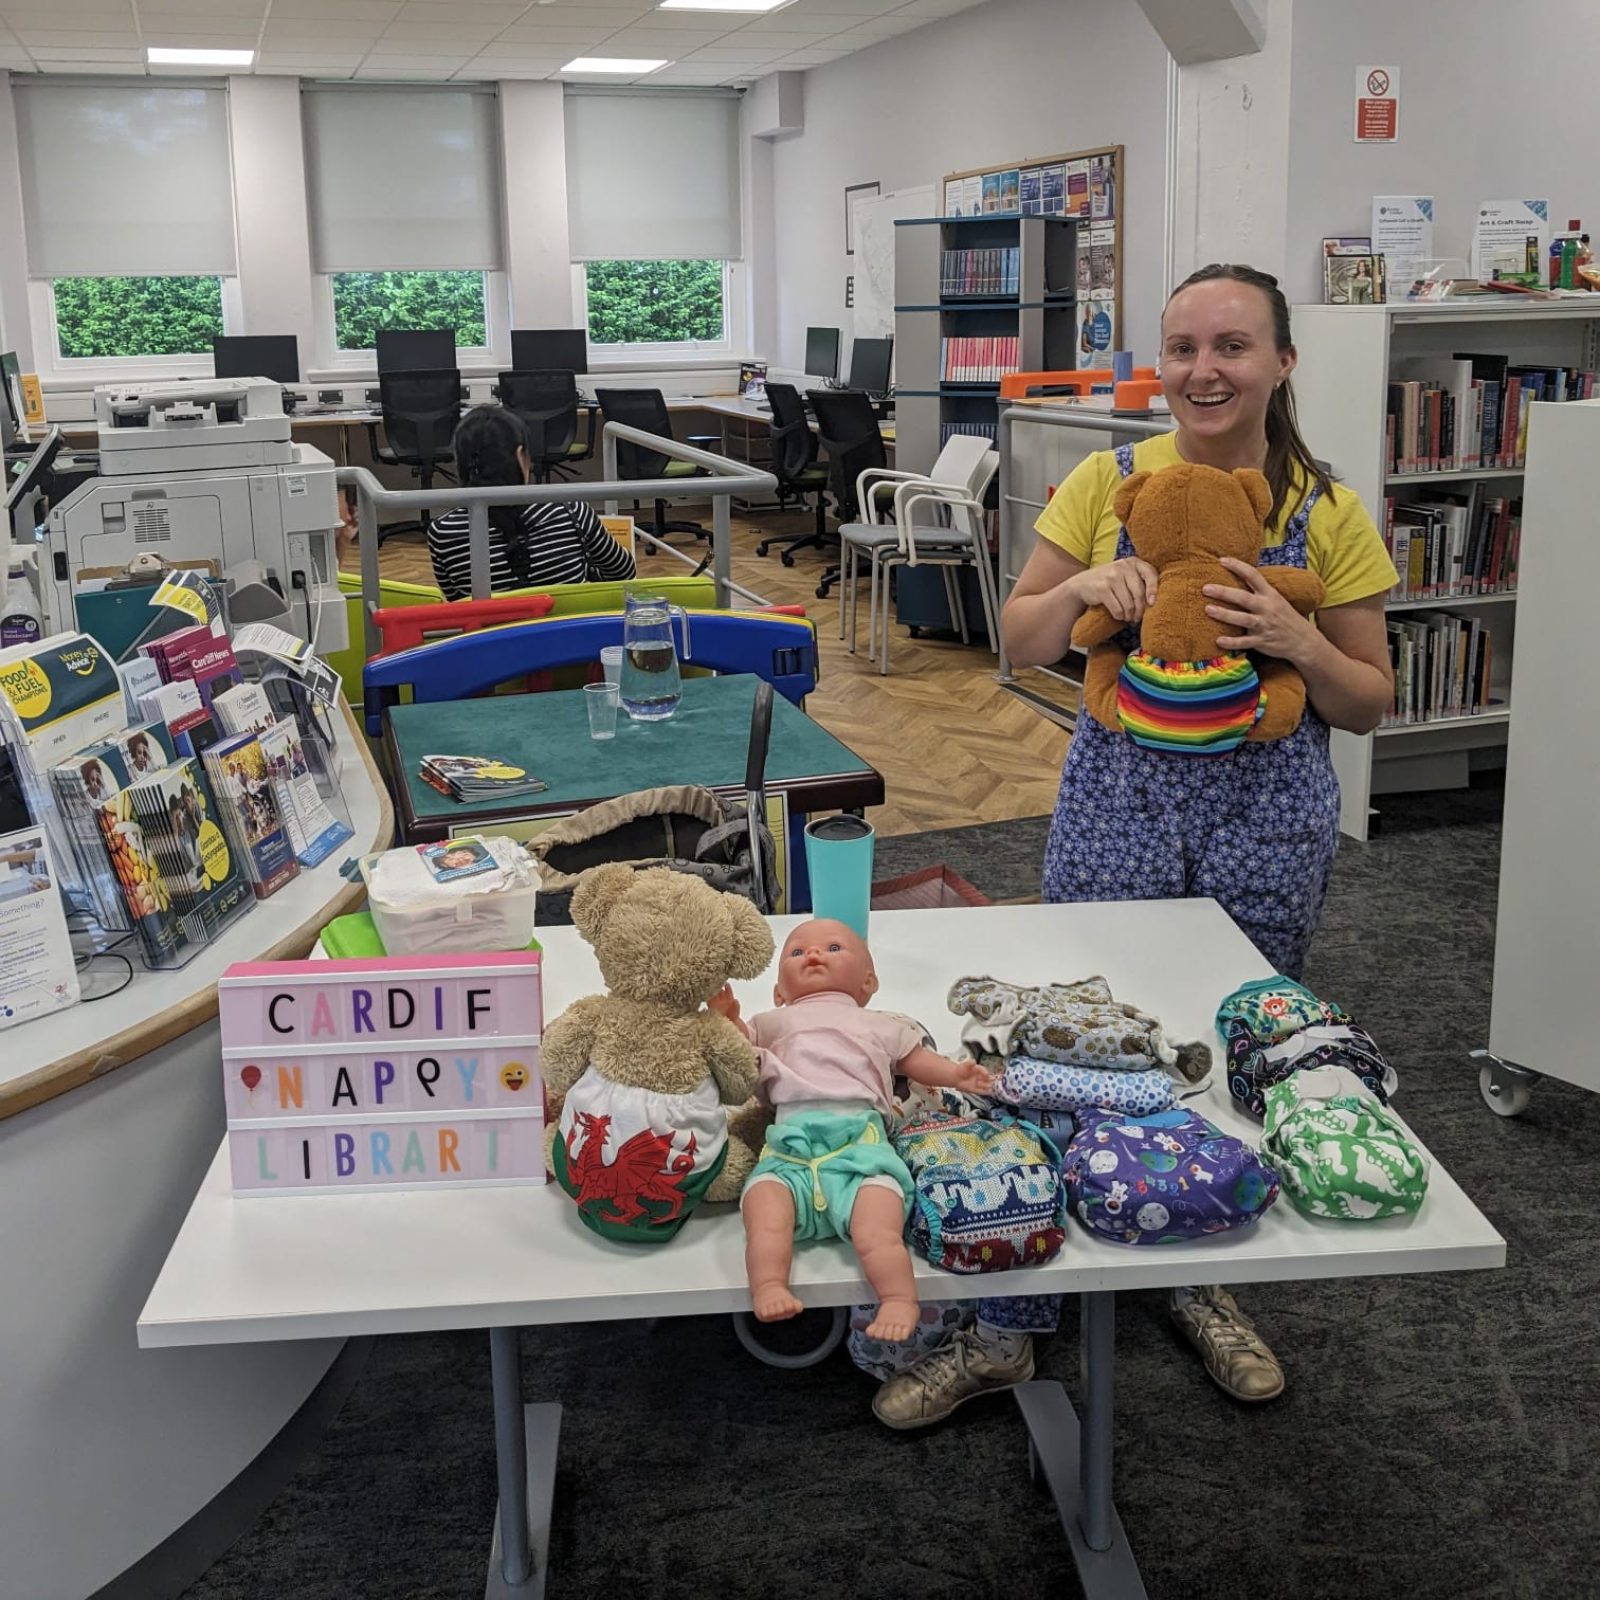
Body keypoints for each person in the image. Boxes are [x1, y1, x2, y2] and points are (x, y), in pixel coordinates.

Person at [872, 263, 1397, 1429]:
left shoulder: (1330, 511)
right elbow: (1014, 634)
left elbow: (1366, 702)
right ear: (1158, 363)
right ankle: (1014, 1317)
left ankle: (1196, 1272)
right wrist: (1080, 595)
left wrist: (1297, 640)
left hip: (1268, 814)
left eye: (1233, 346)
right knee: (1074, 1031)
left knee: (1226, 1037)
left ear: (1281, 362)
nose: (1204, 371)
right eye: (1182, 347)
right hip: (1117, 798)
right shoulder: (1107, 481)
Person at [712, 919, 995, 1342]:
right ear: (778, 993)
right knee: (763, 1213)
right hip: (790, 1152)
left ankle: (898, 1298)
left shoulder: (881, 1024)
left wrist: (956, 1074)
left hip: (861, 1153)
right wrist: (727, 1019)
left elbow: (914, 1061)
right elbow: (739, 1050)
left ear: (867, 982)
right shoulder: (771, 1022)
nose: (813, 954)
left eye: (832, 947)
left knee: (877, 1231)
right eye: (797, 952)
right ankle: (769, 1284)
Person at [427, 405, 634, 601]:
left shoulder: (442, 533)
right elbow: (623, 571)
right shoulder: (571, 510)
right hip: (568, 635)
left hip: (493, 638)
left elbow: (459, 602)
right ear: (520, 455)